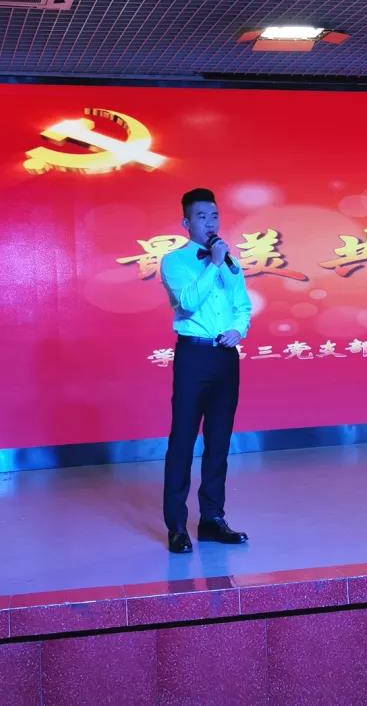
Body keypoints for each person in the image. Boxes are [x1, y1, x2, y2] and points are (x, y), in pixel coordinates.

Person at [159, 188, 253, 553]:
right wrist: (213, 263)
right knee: (183, 440)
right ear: (186, 223)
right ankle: (176, 526)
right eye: (202, 217)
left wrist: (238, 330)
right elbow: (187, 302)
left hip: (225, 357)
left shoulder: (231, 262)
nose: (210, 223)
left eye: (214, 216)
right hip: (193, 356)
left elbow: (242, 305)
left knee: (219, 440)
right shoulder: (175, 262)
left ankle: (212, 518)